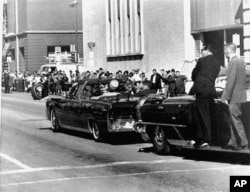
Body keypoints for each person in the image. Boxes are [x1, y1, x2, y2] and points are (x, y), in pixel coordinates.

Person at [190, 45, 221, 148]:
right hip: (210, 90)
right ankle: (205, 138)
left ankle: (204, 139)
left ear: (207, 52)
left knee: (201, 114)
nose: (202, 53)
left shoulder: (202, 60)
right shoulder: (217, 63)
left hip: (201, 89)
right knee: (207, 113)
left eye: (202, 51)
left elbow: (193, 76)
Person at [221, 43, 248, 151]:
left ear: (227, 51)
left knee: (235, 119)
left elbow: (230, 81)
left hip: (234, 96)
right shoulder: (241, 61)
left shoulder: (233, 62)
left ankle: (243, 142)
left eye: (225, 51)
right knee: (234, 119)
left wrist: (225, 96)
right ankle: (233, 142)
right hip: (241, 95)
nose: (225, 53)